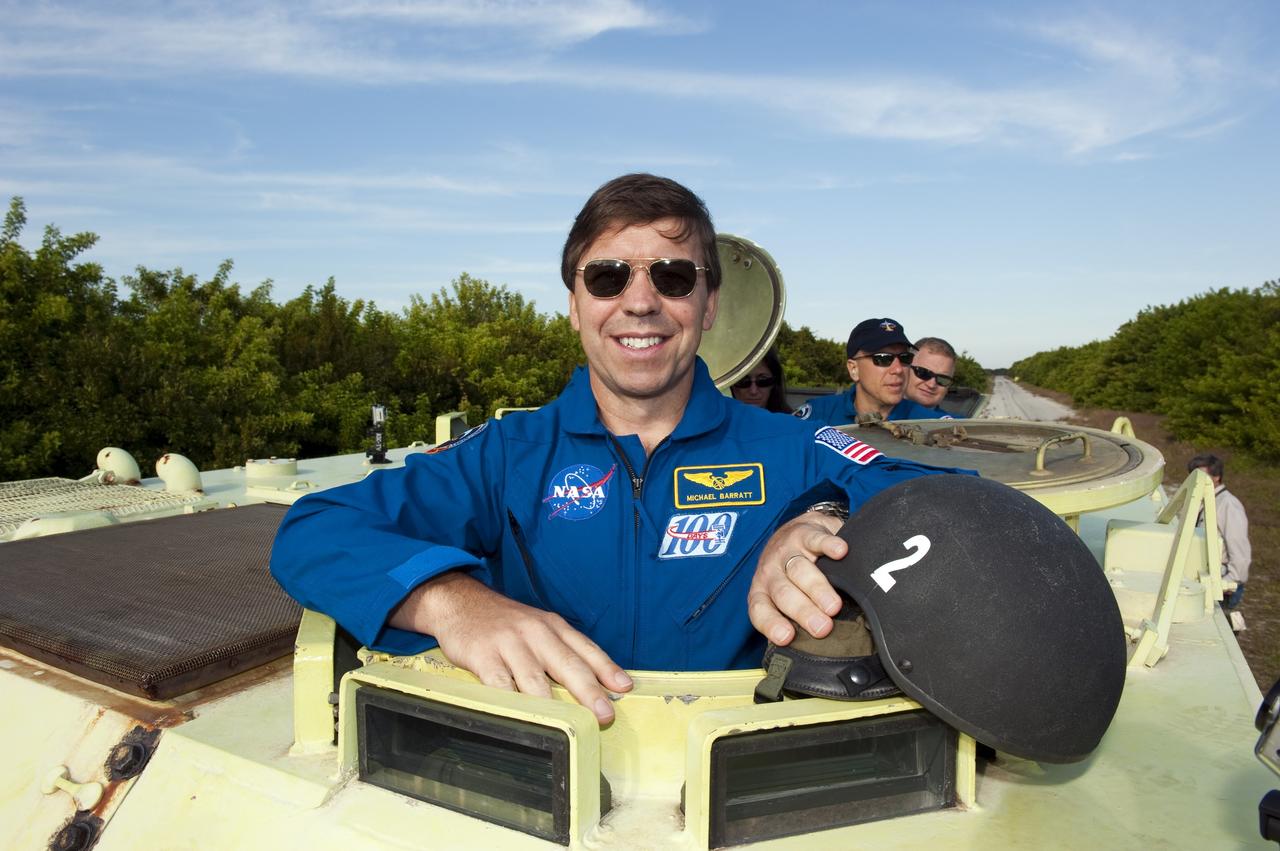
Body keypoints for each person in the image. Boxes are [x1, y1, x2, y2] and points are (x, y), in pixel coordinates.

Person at [270, 173, 961, 724]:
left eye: (673, 276)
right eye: (607, 277)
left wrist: (830, 522)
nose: (640, 302)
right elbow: (314, 529)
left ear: (709, 304)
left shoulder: (795, 444)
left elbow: (958, 506)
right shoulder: (509, 452)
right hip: (548, 781)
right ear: (575, 303)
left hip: (737, 779)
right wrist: (450, 602)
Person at [793, 318, 949, 424]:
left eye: (905, 358)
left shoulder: (931, 425)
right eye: (883, 358)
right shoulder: (819, 415)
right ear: (854, 369)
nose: (898, 369)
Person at [1187, 453, 1252, 631]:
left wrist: (1230, 581)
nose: (1196, 482)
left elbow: (1240, 550)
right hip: (1207, 578)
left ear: (1216, 477)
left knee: (1221, 631)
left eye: (1201, 476)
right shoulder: (1204, 501)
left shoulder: (1228, 505)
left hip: (1223, 583)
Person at [731, 347, 793, 413]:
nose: (753, 391)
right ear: (732, 384)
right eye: (744, 382)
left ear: (774, 382)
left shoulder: (790, 421)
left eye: (763, 381)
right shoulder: (721, 422)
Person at [906, 336, 958, 411]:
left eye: (942, 379)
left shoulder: (954, 422)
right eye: (923, 373)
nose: (931, 385)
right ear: (905, 369)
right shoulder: (883, 415)